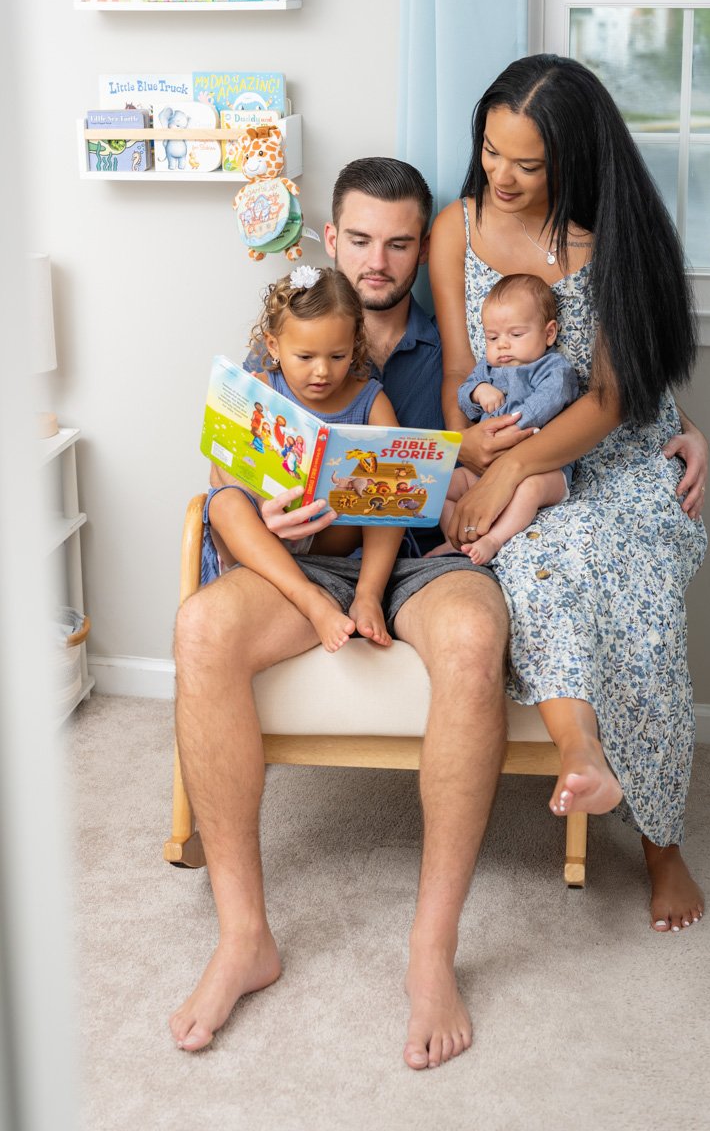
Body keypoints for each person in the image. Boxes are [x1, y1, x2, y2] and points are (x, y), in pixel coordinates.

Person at [170, 158, 511, 1070]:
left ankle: (431, 953)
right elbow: (227, 486)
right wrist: (271, 520)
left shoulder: (462, 348)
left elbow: (557, 407)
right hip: (304, 565)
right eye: (361, 238)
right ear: (331, 236)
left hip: (415, 564)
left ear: (424, 247)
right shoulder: (277, 342)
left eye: (402, 243)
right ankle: (245, 938)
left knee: (477, 639)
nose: (379, 259)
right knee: (202, 626)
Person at [429, 54, 709, 934]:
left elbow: (614, 398)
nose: (501, 178)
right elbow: (460, 373)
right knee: (544, 555)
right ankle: (583, 752)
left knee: (633, 590)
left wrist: (514, 469)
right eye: (491, 153)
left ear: (574, 162)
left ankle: (663, 843)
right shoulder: (456, 228)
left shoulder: (609, 240)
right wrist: (477, 446)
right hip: (513, 457)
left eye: (528, 163)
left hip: (618, 458)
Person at [204, 266, 405, 653]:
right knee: (225, 502)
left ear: (356, 344)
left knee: (390, 500)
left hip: (330, 537)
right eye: (305, 356)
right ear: (274, 346)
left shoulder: (371, 400)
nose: (322, 370)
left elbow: (396, 492)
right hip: (265, 534)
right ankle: (309, 599)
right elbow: (222, 471)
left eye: (337, 355)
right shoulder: (261, 388)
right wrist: (260, 505)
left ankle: (367, 595)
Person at [441, 271, 579, 565]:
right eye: (492, 337)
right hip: (485, 467)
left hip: (542, 468)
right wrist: (479, 391)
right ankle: (455, 541)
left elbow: (549, 400)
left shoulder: (552, 367)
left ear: (549, 333)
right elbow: (463, 394)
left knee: (529, 489)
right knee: (441, 487)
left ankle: (493, 539)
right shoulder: (487, 370)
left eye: (515, 335)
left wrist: (512, 426)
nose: (502, 345)